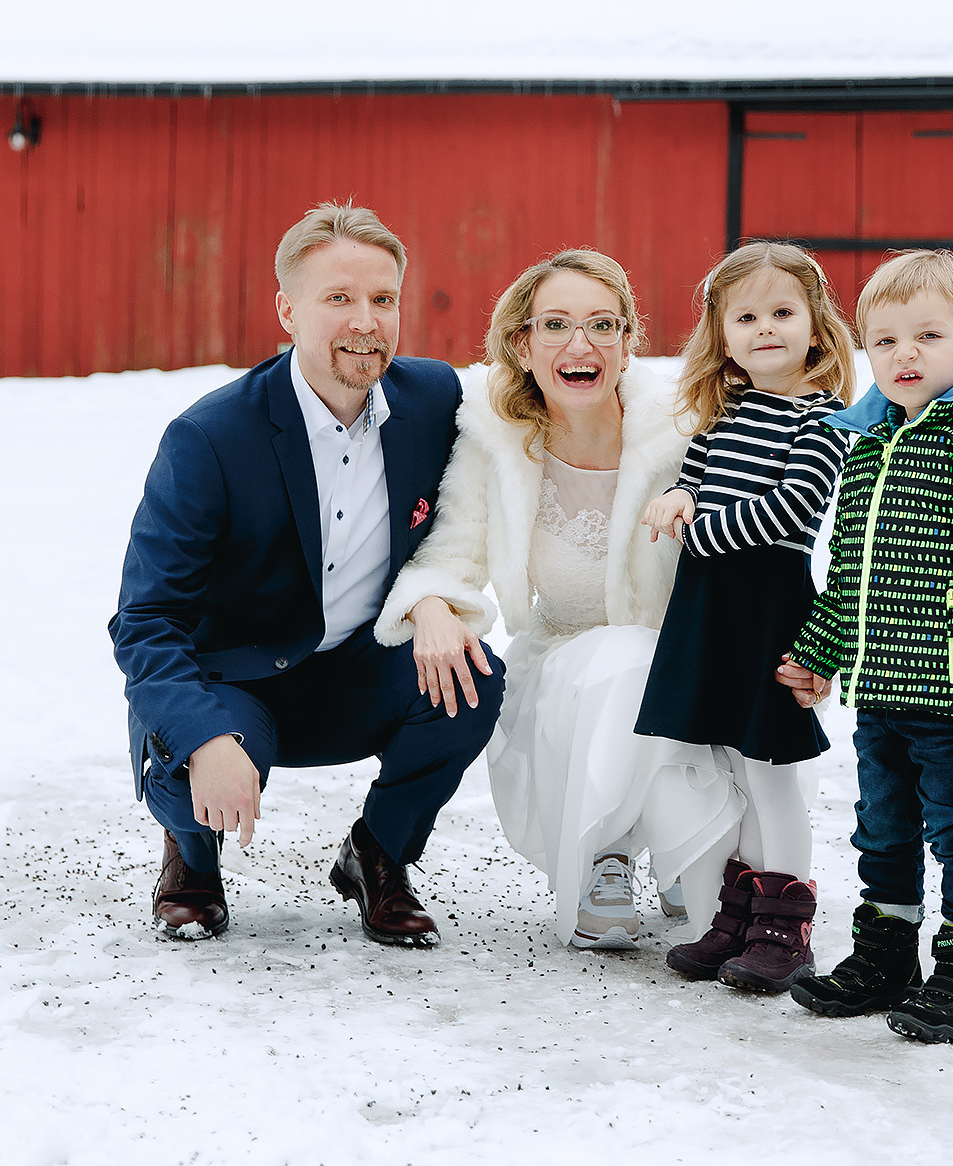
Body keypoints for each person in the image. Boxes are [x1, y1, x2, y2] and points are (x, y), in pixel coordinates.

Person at [109, 203, 502, 947]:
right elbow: (145, 620)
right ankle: (191, 857)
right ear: (287, 310)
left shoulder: (434, 401)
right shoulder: (210, 437)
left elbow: (536, 406)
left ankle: (378, 854)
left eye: (383, 299)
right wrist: (202, 737)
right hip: (236, 681)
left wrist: (434, 602)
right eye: (339, 298)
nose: (366, 320)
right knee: (183, 752)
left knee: (474, 676)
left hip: (356, 672)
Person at [375, 249, 744, 950]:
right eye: (556, 325)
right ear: (522, 343)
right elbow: (452, 552)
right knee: (620, 660)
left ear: (630, 342)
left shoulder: (684, 430)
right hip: (561, 671)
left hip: (683, 678)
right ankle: (605, 854)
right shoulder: (499, 439)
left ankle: (666, 836)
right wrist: (428, 606)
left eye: (603, 324)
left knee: (643, 662)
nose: (581, 345)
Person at [775, 249, 953, 1043]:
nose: (905, 354)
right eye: (886, 338)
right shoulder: (873, 439)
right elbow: (853, 569)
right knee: (884, 827)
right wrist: (821, 649)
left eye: (928, 335)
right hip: (882, 690)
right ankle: (885, 954)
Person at [634, 243, 856, 994]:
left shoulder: (821, 419)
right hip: (711, 608)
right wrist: (674, 500)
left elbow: (794, 507)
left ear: (817, 328)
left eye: (783, 312)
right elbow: (693, 479)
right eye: (748, 316)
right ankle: (742, 911)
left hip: (765, 602)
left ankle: (786, 924)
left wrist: (698, 531)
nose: (767, 328)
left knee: (768, 769)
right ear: (724, 336)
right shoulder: (728, 412)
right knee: (734, 761)